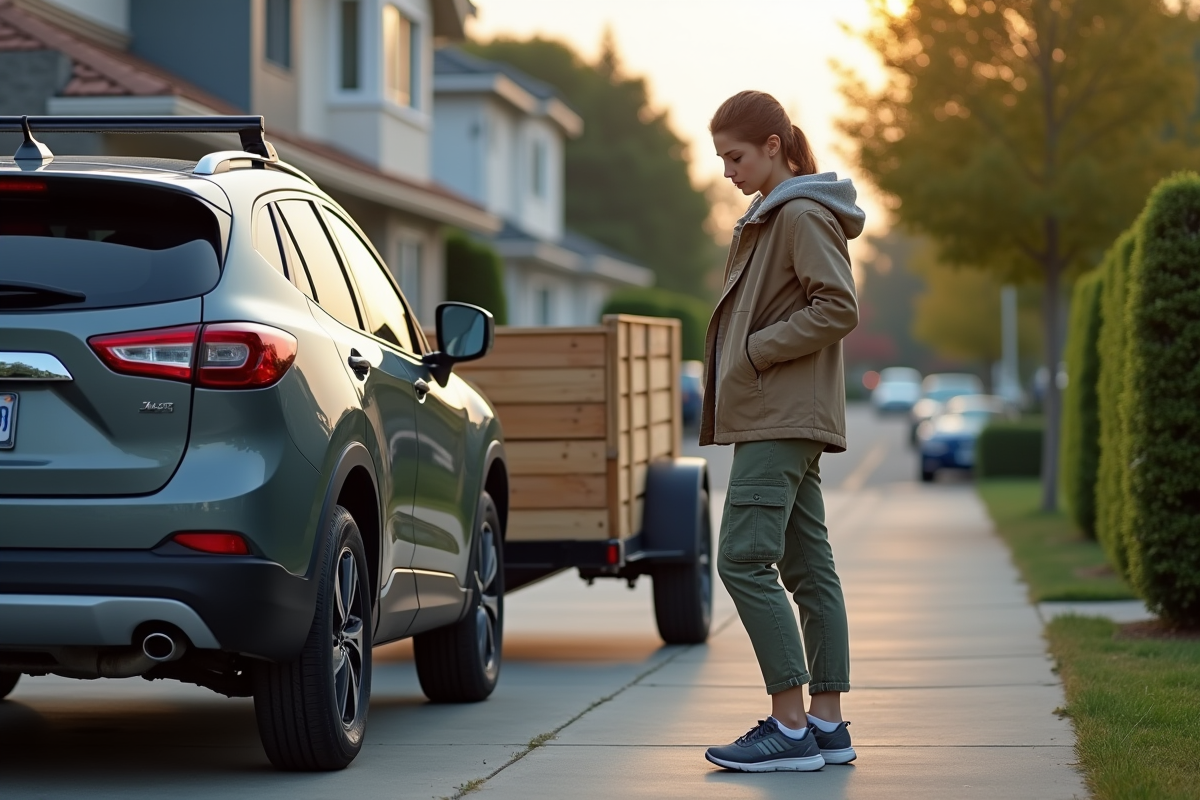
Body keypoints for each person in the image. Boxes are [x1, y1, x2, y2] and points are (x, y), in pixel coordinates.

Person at [700, 90, 864, 773]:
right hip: (784, 415)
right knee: (807, 567)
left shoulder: (797, 212)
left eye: (735, 156)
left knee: (741, 558)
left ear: (773, 144)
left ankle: (789, 726)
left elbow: (839, 306)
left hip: (779, 416)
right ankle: (825, 725)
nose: (727, 171)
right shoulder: (778, 212)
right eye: (720, 159)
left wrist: (759, 349)